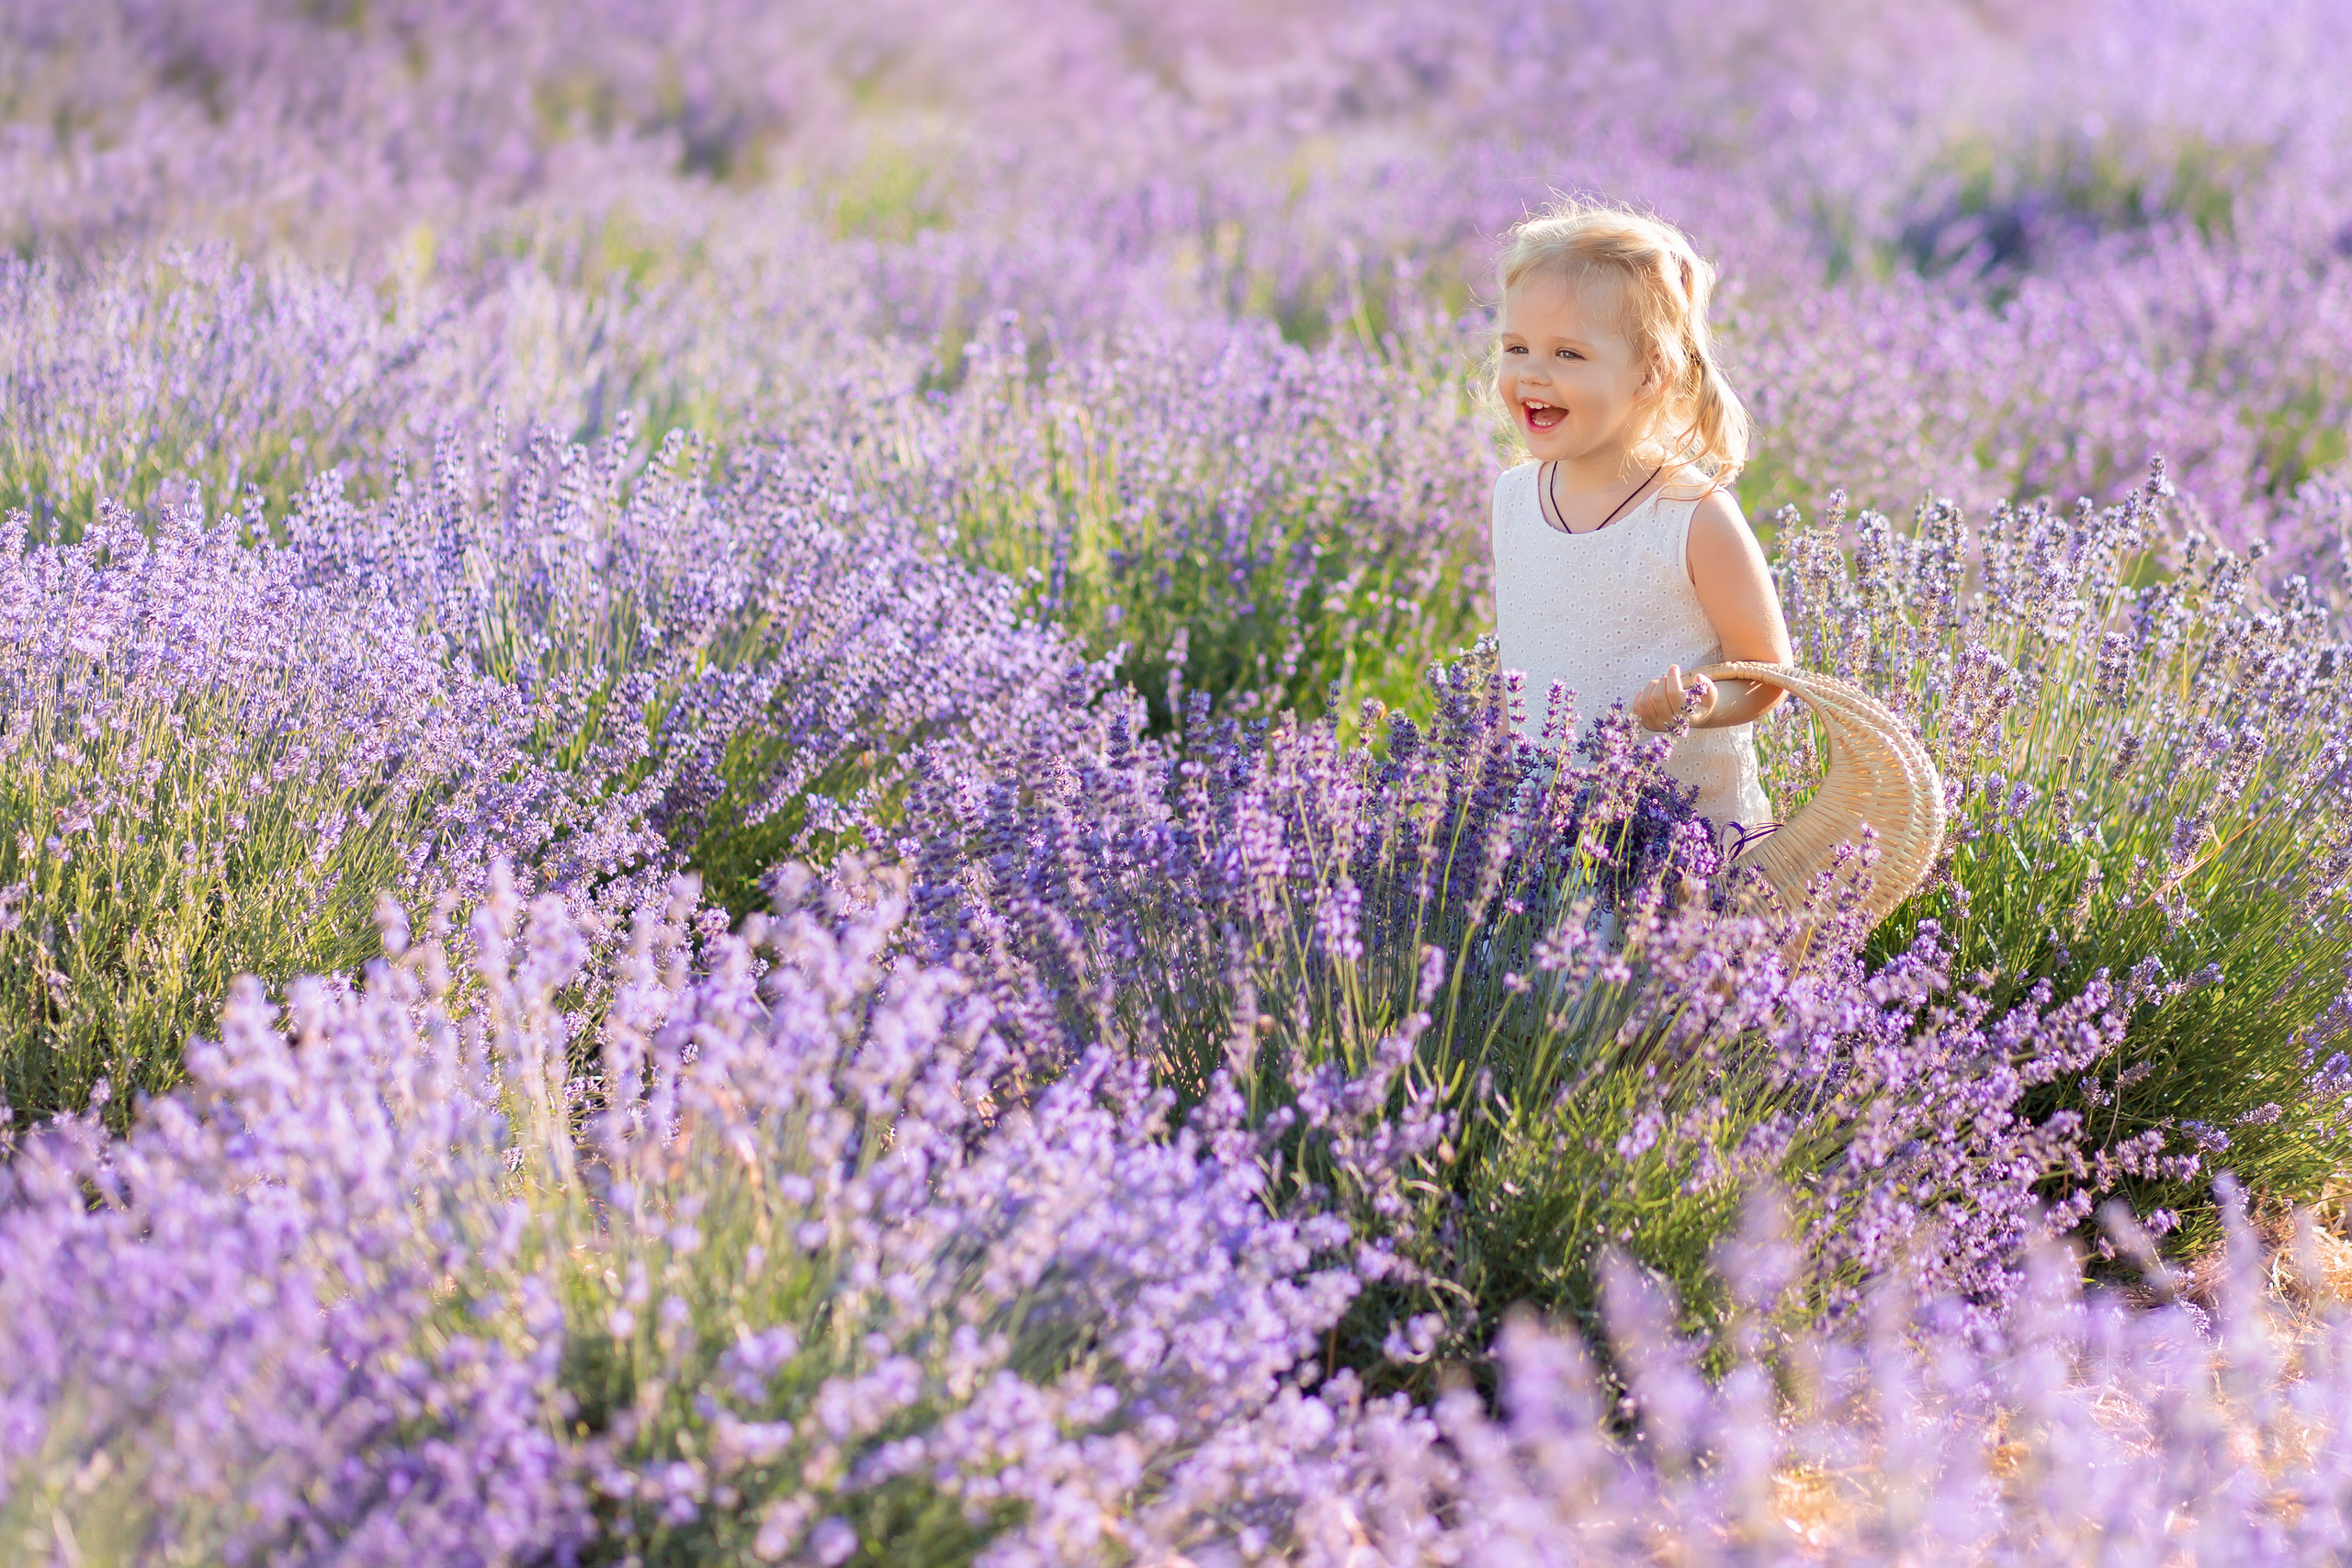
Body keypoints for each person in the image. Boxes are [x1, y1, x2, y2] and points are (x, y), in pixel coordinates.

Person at [1487, 197, 1791, 835]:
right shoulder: (1514, 498)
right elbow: (1528, 658)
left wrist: (1702, 704)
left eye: (1568, 354)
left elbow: (1768, 675)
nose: (1531, 375)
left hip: (1682, 840)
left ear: (1651, 373)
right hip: (1549, 833)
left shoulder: (1693, 517)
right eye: (1516, 347)